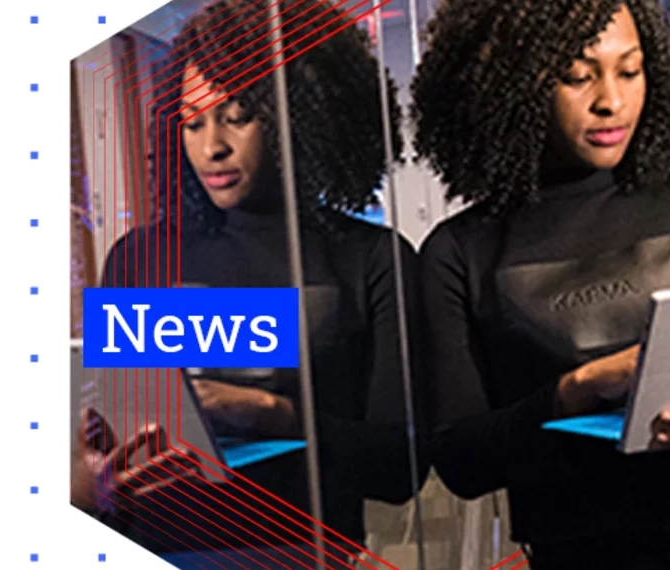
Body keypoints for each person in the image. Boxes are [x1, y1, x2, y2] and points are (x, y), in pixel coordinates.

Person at [410, 0, 670, 568]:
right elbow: (461, 461)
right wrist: (578, 388)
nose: (612, 100)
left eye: (630, 70)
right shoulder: (459, 251)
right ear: (512, 81)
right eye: (578, 76)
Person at [70, 0, 428, 565]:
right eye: (192, 122)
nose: (212, 146)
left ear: (299, 115)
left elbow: (398, 469)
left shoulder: (370, 259)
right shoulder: (139, 258)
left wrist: (271, 412)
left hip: (303, 552)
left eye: (237, 116)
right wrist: (92, 475)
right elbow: (111, 435)